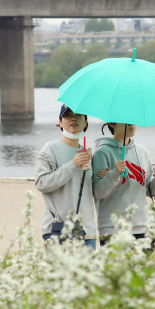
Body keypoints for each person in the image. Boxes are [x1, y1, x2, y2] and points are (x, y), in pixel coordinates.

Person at [92, 123, 155, 246]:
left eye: (132, 120)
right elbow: (98, 193)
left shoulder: (141, 151)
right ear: (112, 124)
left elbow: (149, 191)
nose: (131, 124)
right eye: (125, 120)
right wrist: (114, 174)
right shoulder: (102, 153)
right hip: (113, 228)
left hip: (142, 227)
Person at [35, 105, 97, 249]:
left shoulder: (88, 154)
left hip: (86, 232)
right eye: (68, 116)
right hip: (57, 229)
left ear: (86, 122)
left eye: (79, 115)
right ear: (60, 122)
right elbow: (41, 183)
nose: (73, 118)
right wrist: (72, 164)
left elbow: (95, 192)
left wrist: (111, 176)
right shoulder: (50, 149)